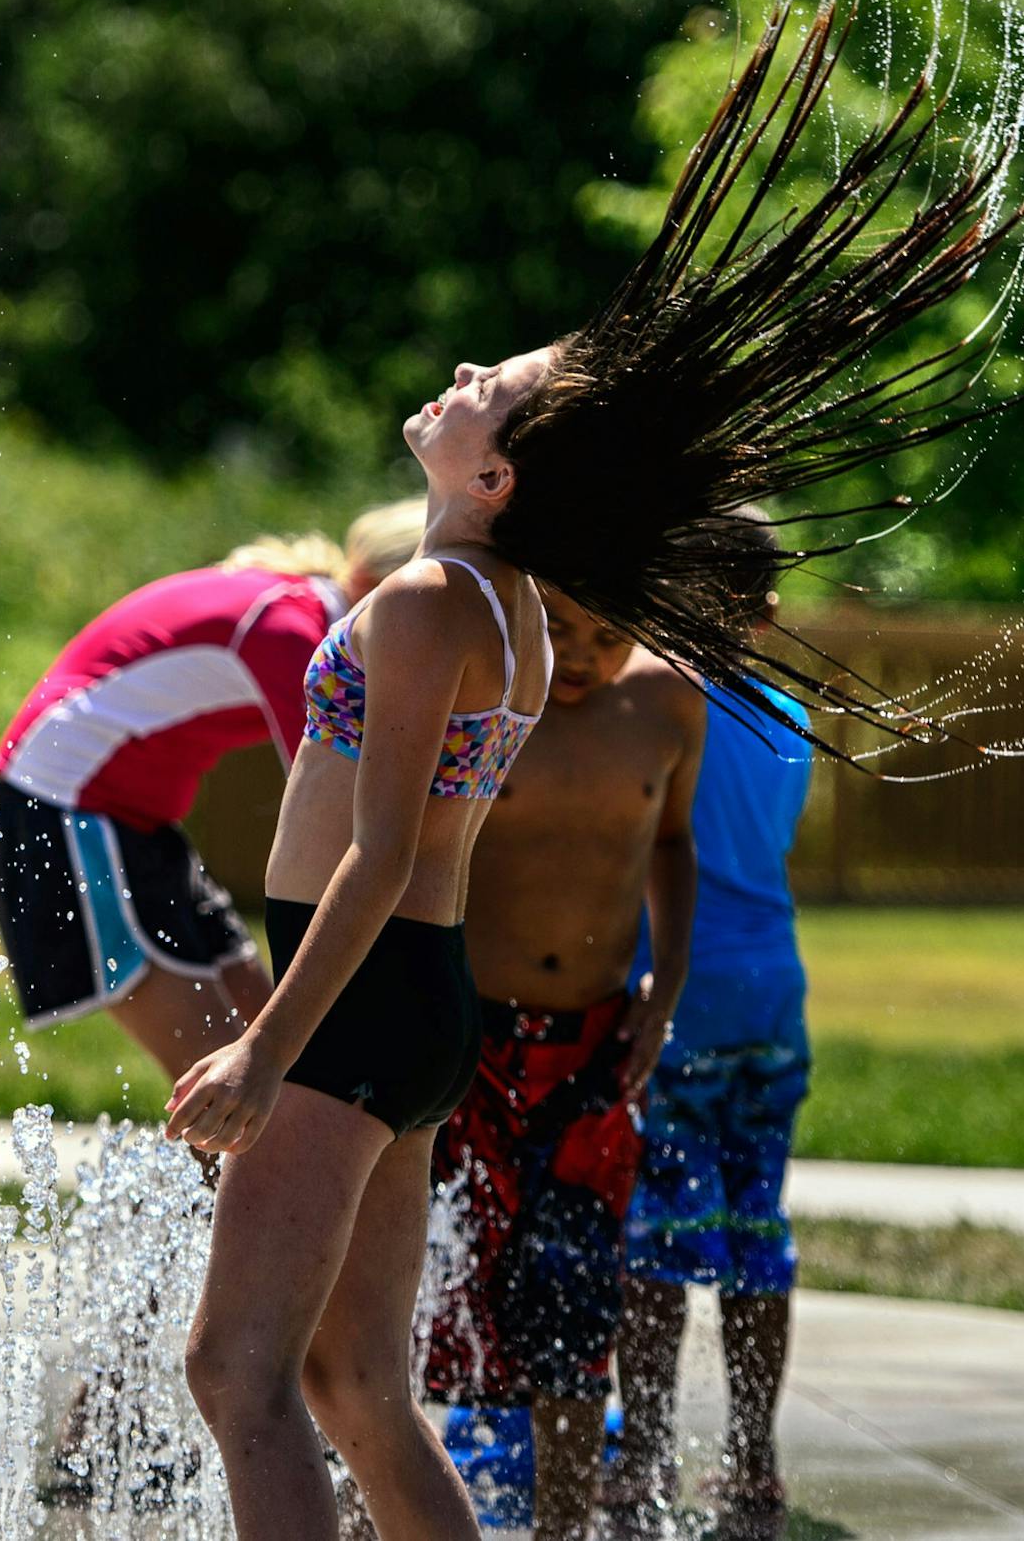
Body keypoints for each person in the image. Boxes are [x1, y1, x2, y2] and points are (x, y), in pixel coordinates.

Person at [161, 8, 1024, 1541]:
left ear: (498, 475)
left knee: (237, 1376)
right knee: (360, 1385)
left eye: (487, 388)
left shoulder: (445, 603)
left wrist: (260, 1051)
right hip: (418, 995)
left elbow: (373, 857)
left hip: (357, 986)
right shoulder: (493, 602)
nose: (459, 374)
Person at [421, 588, 704, 1541]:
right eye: (562, 630)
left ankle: (564, 1528)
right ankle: (369, 1508)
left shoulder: (668, 705)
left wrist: (662, 998)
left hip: (594, 1047)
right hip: (468, 1036)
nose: (581, 656)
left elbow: (670, 842)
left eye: (612, 634)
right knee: (418, 1290)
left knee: (578, 1303)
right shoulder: (485, 696)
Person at [0, 498, 425, 1080]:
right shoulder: (295, 634)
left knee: (271, 1049)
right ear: (387, 587)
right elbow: (349, 812)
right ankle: (241, 1175)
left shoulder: (294, 607)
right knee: (225, 1073)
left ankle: (249, 1175)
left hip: (127, 818)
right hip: (63, 806)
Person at [613, 510, 813, 1541]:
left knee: (654, 1234)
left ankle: (639, 1454)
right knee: (752, 1228)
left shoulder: (647, 708)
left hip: (671, 991)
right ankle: (751, 1459)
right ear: (765, 614)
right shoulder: (786, 718)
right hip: (771, 992)